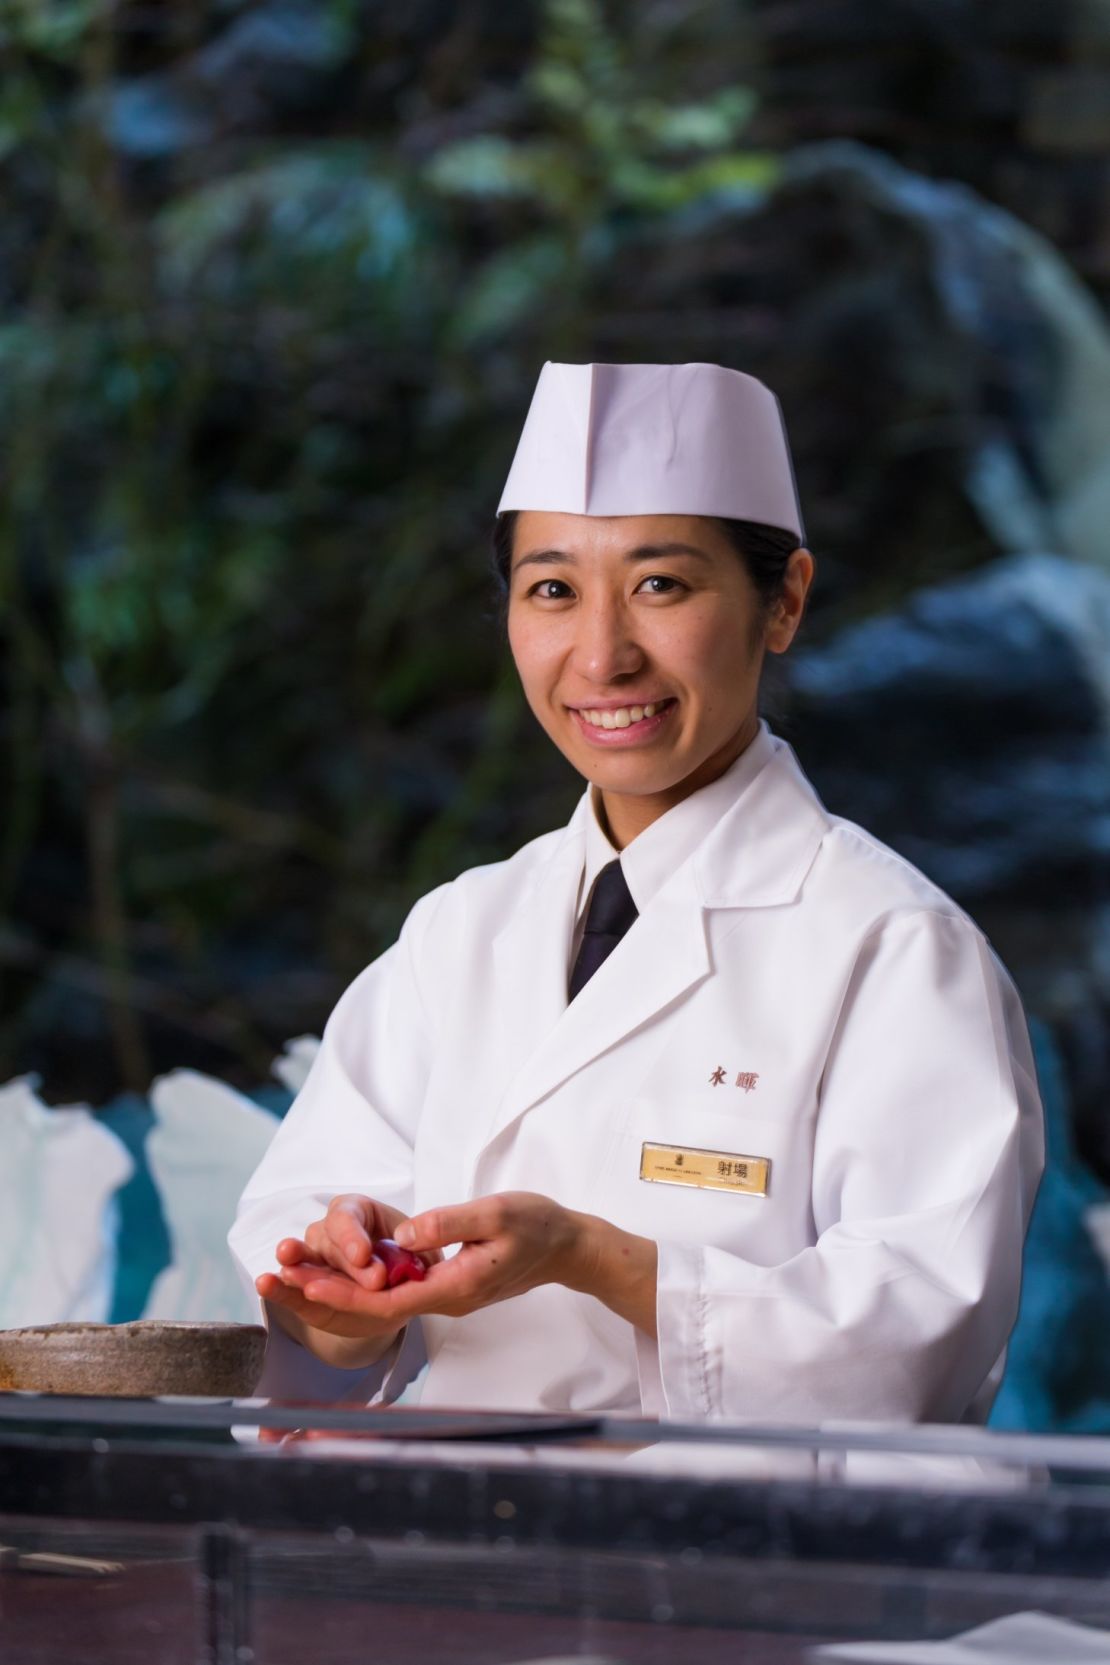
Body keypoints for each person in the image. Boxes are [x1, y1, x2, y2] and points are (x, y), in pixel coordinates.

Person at [229, 361, 1044, 1422]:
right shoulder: (461, 931)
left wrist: (593, 1257)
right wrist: (340, 1293)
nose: (602, 655)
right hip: (441, 1546)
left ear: (783, 601)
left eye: (661, 584)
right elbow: (299, 1270)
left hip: (739, 1569)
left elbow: (920, 1339)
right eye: (553, 590)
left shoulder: (895, 948)